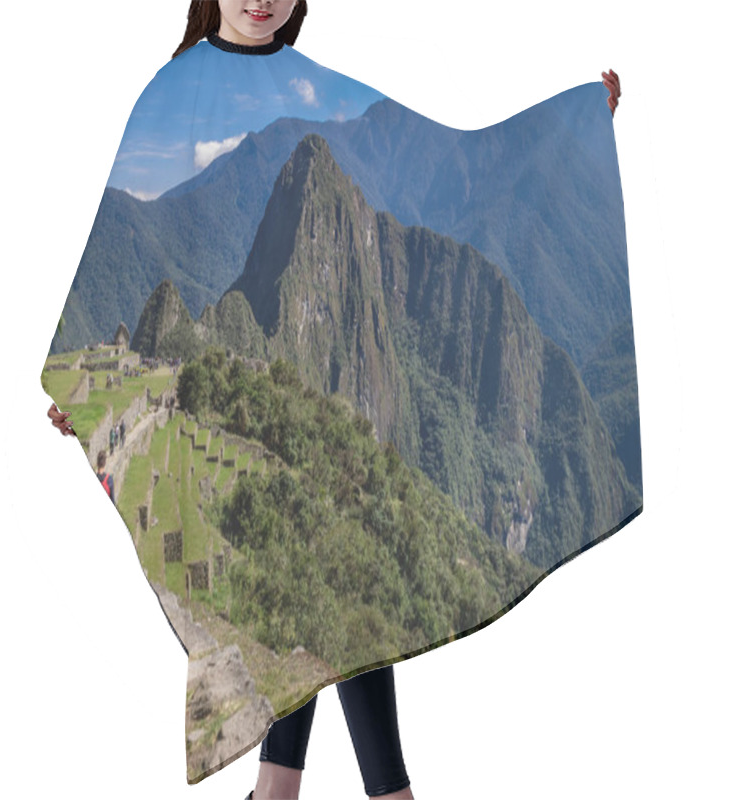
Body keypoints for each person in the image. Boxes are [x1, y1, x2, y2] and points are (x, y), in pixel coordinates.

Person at [46, 2, 623, 797]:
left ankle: (285, 791)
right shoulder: (170, 90)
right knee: (336, 606)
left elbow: (466, 150)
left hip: (302, 427)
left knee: (333, 604)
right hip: (236, 424)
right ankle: (373, 793)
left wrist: (577, 120)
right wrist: (82, 396)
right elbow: (110, 268)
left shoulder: (306, 81)